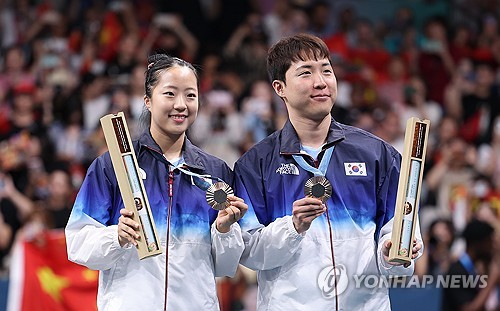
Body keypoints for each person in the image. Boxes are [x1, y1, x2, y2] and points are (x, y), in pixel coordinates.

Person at [234, 33, 423, 310]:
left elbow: (398, 234)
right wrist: (293, 226)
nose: (321, 82)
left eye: (326, 70)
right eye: (305, 73)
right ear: (280, 87)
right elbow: (249, 252)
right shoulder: (255, 164)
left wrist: (392, 252)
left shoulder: (376, 153)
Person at [65, 54, 248, 310]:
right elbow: (77, 243)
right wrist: (116, 236)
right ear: (148, 101)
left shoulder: (215, 172)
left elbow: (226, 266)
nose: (181, 104)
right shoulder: (112, 166)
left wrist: (225, 230)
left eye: (191, 95)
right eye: (170, 94)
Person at [441, 219, 499, 311]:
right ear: (477, 244)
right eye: (488, 241)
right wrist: (492, 281)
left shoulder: (475, 270)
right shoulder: (456, 272)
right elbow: (467, 308)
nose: (492, 246)